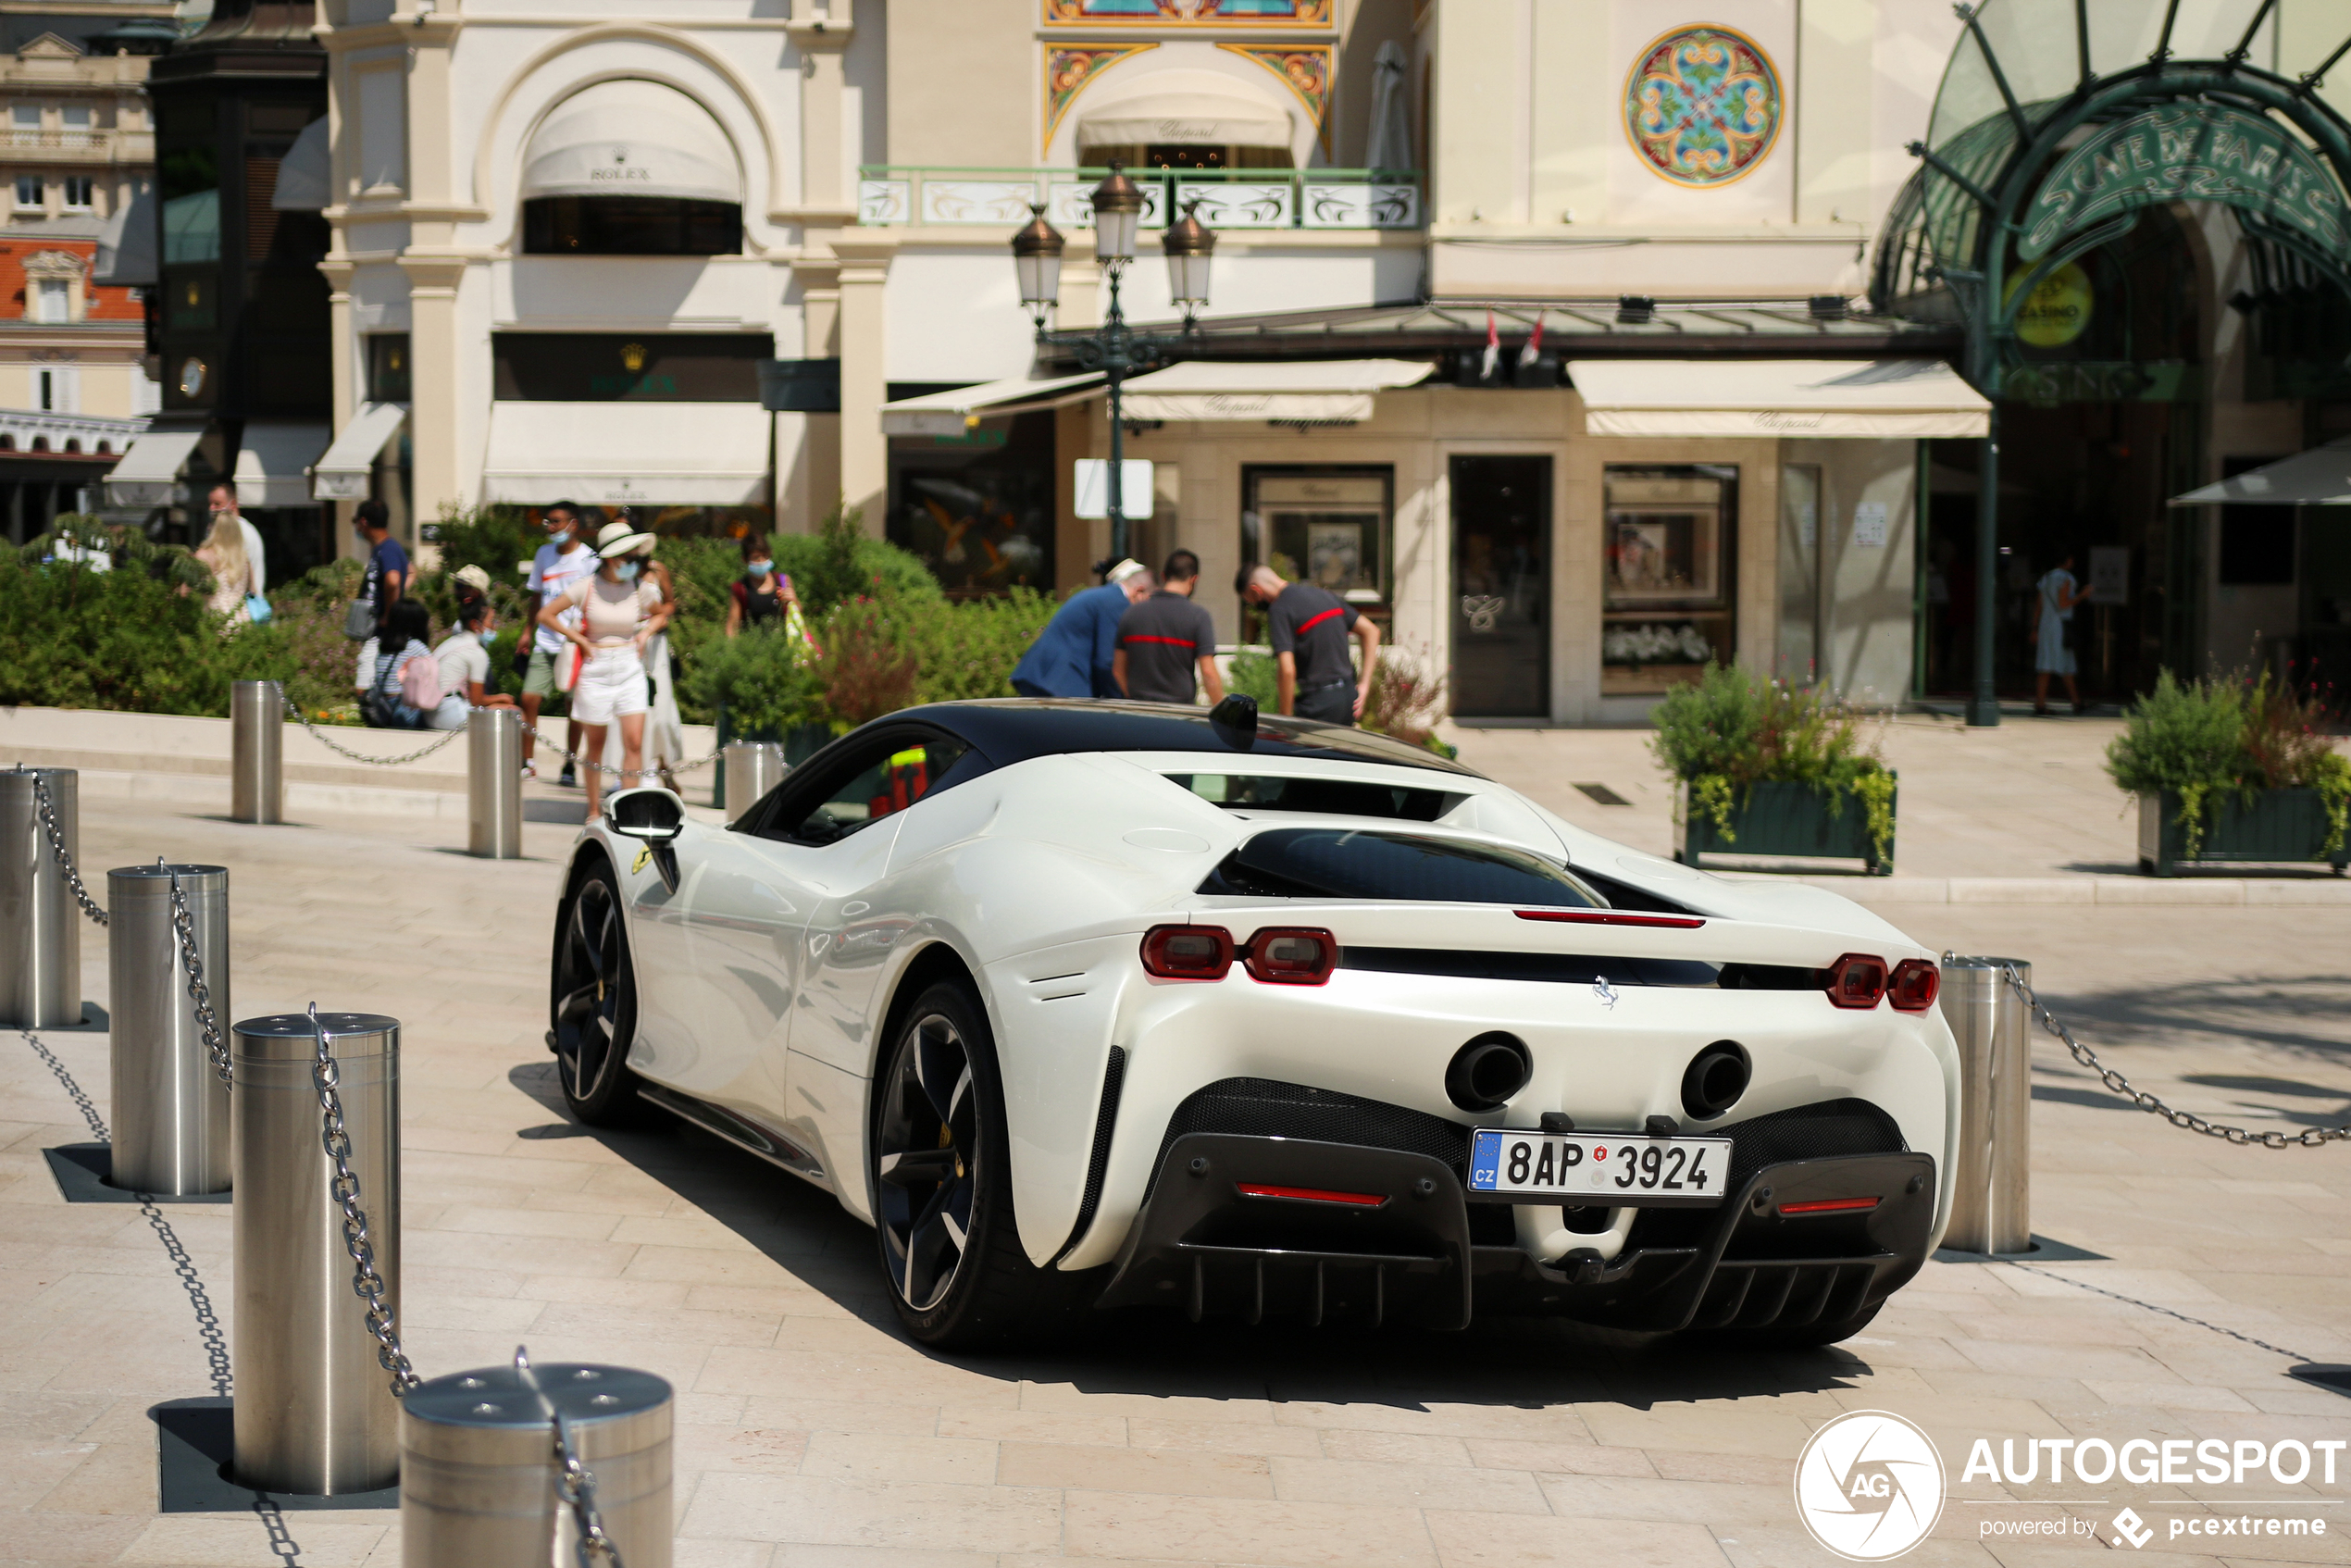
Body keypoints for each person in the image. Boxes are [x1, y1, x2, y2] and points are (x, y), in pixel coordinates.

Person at [537, 519, 670, 819]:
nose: (632, 561)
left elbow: (662, 615)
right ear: (611, 557)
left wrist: (645, 633)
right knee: (595, 745)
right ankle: (594, 808)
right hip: (595, 667)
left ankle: (629, 807)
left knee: (634, 742)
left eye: (635, 556)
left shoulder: (641, 588)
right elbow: (546, 614)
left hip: (629, 665)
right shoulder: (587, 587)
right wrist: (580, 640)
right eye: (627, 556)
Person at [1236, 563, 1381, 724]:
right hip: (1347, 697)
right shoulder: (1323, 595)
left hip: (1319, 703)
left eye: (1253, 602)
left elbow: (1287, 670)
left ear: (1256, 590)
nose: (1256, 607)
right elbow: (1371, 631)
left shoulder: (1280, 609)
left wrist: (1285, 719)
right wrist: (1364, 685)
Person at [522, 502, 600, 783]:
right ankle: (526, 761)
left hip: (574, 643)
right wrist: (526, 631)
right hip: (546, 639)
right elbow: (536, 596)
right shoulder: (543, 553)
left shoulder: (589, 559)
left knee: (573, 708)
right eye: (547, 522)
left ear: (573, 524)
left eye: (556, 522)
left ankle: (569, 763)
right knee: (529, 697)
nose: (551, 527)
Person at [1009, 559, 1151, 699]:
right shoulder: (1117, 602)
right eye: (1148, 601)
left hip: (1044, 676)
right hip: (1059, 681)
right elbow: (1107, 662)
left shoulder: (1103, 596)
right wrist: (1121, 700)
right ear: (1139, 591)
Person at [1114, 548, 1225, 706]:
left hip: (1138, 712)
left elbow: (1118, 669)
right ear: (1194, 580)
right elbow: (1208, 674)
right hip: (1179, 712)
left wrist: (1132, 699)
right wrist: (1222, 712)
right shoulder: (1198, 616)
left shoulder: (1131, 613)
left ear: (1163, 576)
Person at [426, 577, 520, 731]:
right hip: (451, 715)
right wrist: (501, 697)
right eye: (492, 621)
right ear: (475, 625)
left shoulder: (449, 643)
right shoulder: (476, 652)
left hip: (431, 714)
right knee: (515, 713)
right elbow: (477, 700)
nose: (495, 626)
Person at [361, 599, 434, 728]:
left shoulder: (383, 647)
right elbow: (434, 672)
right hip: (404, 708)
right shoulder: (416, 647)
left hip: (383, 705)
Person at [2033, 552, 2092, 715]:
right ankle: (2073, 702)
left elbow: (2039, 604)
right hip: (2060, 626)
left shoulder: (2046, 578)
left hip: (2046, 625)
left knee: (2046, 664)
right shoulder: (2066, 578)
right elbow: (2063, 603)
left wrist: (2034, 627)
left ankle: (2043, 703)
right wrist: (2082, 595)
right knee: (2064, 662)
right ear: (2068, 561)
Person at [725, 534, 802, 636]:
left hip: (783, 646)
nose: (761, 561)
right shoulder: (740, 588)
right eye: (756, 558)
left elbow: (798, 613)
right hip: (752, 647)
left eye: (765, 556)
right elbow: (733, 626)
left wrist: (793, 600)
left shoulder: (783, 581)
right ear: (745, 560)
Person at [193, 506, 254, 628]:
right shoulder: (243, 558)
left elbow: (193, 589)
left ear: (214, 529)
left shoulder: (205, 554)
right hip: (243, 619)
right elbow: (252, 589)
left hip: (217, 619)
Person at [355, 499, 405, 629]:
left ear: (363, 522)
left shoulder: (388, 548)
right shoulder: (382, 549)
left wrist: (388, 616)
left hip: (382, 633)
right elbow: (410, 571)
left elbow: (393, 581)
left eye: (356, 522)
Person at [208, 483, 266, 594]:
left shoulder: (237, 532)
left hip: (242, 602)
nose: (212, 509)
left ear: (232, 504)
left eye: (217, 504)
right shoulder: (247, 528)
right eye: (210, 504)